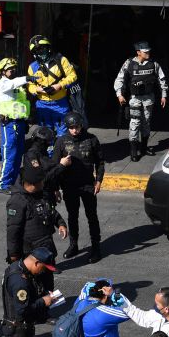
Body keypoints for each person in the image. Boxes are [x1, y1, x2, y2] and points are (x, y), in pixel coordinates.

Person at [6, 166, 68, 293]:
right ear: (32, 184)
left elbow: (51, 211)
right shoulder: (17, 201)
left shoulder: (41, 194)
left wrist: (60, 223)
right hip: (31, 255)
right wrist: (14, 256)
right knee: (33, 288)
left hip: (46, 249)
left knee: (48, 286)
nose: (43, 184)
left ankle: (46, 310)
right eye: (41, 182)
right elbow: (13, 231)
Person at [54, 112, 105, 264]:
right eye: (71, 128)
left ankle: (96, 248)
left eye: (77, 127)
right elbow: (54, 166)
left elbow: (100, 162)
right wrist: (55, 188)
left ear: (81, 125)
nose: (74, 130)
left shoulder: (92, 139)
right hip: (69, 186)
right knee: (72, 216)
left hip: (88, 184)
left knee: (92, 216)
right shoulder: (61, 142)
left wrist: (98, 181)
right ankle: (73, 245)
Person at [114, 41, 168, 161]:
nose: (148, 53)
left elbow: (162, 79)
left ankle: (143, 148)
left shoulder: (154, 64)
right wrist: (119, 95)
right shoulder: (129, 63)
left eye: (149, 51)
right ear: (138, 52)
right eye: (145, 51)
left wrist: (164, 95)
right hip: (135, 99)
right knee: (134, 124)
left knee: (146, 123)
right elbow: (119, 79)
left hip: (148, 98)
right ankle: (133, 151)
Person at [27, 35, 78, 142]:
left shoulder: (61, 60)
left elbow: (72, 76)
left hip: (60, 103)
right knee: (45, 133)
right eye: (38, 50)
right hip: (42, 104)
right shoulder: (32, 67)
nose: (42, 51)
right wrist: (37, 89)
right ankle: (48, 155)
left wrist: (59, 85)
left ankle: (61, 155)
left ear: (48, 47)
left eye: (43, 48)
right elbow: (30, 85)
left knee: (63, 132)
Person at [0, 57, 31, 192]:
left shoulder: (16, 85)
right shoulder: (3, 84)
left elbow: (21, 104)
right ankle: (4, 185)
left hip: (20, 123)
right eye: (10, 69)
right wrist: (27, 78)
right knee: (9, 154)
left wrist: (25, 120)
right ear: (3, 71)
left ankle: (14, 182)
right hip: (9, 124)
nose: (13, 71)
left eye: (14, 69)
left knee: (18, 154)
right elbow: (14, 83)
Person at [24, 126, 70, 204]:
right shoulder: (32, 156)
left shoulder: (42, 153)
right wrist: (62, 165)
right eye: (48, 142)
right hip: (38, 198)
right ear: (42, 141)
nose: (49, 144)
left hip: (48, 193)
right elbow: (41, 178)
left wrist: (55, 189)